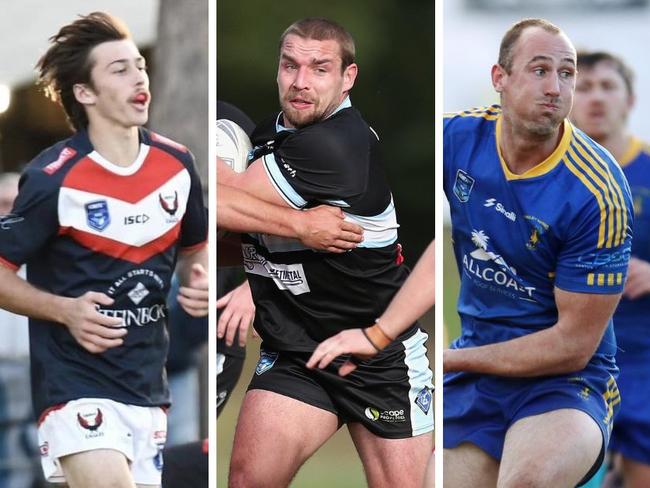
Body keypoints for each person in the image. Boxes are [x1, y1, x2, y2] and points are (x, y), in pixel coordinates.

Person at [219, 17, 433, 488]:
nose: (300, 82)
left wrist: (206, 151)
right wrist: (266, 268)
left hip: (379, 360)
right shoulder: (271, 133)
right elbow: (250, 230)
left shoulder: (337, 145)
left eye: (319, 68)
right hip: (297, 353)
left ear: (347, 79)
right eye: (289, 65)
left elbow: (218, 199)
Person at [0, 12, 208, 488]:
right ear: (85, 93)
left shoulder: (177, 165)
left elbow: (199, 255)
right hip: (73, 384)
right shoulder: (52, 178)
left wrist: (202, 282)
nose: (139, 76)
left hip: (146, 385)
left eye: (140, 65)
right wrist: (65, 311)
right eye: (119, 69)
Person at [443, 19, 633, 487]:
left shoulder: (598, 190)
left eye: (566, 74)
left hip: (566, 385)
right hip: (476, 373)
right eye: (540, 70)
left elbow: (573, 346)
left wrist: (450, 359)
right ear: (499, 78)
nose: (556, 88)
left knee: (525, 482)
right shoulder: (455, 139)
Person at [570, 50, 650, 488]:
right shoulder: (552, 176)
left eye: (607, 86)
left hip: (642, 357)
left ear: (630, 100)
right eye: (584, 87)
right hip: (566, 357)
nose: (596, 98)